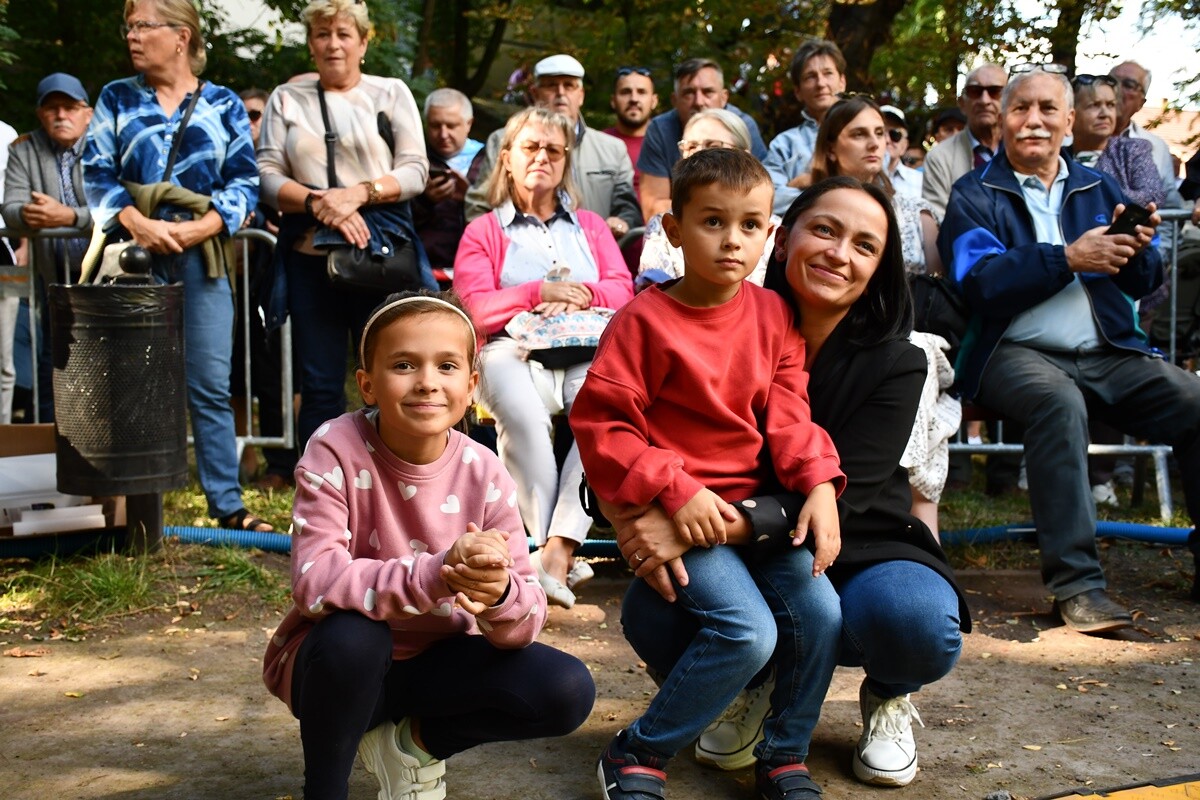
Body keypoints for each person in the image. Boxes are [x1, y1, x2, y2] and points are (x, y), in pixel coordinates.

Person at [605, 177, 969, 792]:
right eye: (824, 230)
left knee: (911, 622)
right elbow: (617, 423)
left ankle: (867, 706)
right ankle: (742, 690)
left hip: (852, 546)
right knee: (664, 612)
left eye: (864, 245)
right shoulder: (713, 316)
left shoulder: (899, 360)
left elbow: (828, 469)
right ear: (786, 238)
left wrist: (790, 493)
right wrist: (627, 513)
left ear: (880, 268)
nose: (838, 252)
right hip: (718, 534)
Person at [573, 148, 846, 800]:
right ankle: (638, 752)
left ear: (769, 233)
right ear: (672, 229)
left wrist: (819, 484)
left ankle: (782, 755)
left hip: (752, 513)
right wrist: (673, 486)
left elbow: (790, 413)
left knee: (824, 613)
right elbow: (601, 425)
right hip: (681, 514)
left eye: (751, 226)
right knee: (747, 632)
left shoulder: (773, 315)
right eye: (713, 222)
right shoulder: (642, 322)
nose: (733, 241)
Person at [263, 291, 595, 800]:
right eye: (403, 364)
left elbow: (528, 616)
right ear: (367, 385)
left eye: (446, 365)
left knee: (567, 690)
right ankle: (325, 788)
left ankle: (412, 746)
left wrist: (498, 592)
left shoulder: (484, 470)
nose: (427, 382)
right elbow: (314, 583)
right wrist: (436, 573)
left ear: (472, 385)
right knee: (357, 638)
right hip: (337, 672)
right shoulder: (335, 446)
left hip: (438, 665)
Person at [938, 65, 1200, 634]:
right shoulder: (975, 193)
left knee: (1194, 400)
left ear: (1069, 122)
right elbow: (979, 281)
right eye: (1020, 108)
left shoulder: (1097, 186)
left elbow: (1140, 282)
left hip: (1107, 349)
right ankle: (1077, 587)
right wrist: (1067, 258)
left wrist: (1141, 247)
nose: (1033, 120)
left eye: (1047, 109)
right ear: (1002, 121)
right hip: (1013, 351)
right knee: (1058, 401)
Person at [83, 0, 268, 531]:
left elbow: (243, 181)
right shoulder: (116, 97)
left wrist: (198, 227)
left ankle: (227, 506)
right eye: (129, 27)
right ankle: (132, 508)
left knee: (210, 382)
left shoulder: (224, 102)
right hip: (132, 256)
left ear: (182, 35)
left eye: (143, 25)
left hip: (202, 257)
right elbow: (96, 173)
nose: (132, 37)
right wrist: (139, 224)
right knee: (131, 380)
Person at [453, 106, 634, 609]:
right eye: (531, 147)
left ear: (566, 162)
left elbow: (623, 289)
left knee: (601, 416)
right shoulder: (484, 230)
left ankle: (555, 551)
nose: (542, 158)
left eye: (554, 150)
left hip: (584, 343)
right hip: (510, 345)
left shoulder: (592, 226)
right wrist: (537, 290)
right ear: (506, 158)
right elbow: (471, 306)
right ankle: (553, 550)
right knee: (526, 419)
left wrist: (579, 293)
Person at [257, 0, 433, 451]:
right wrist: (320, 202)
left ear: (363, 41)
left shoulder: (390, 91)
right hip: (309, 256)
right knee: (319, 379)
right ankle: (320, 481)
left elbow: (415, 170)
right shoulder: (286, 98)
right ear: (310, 44)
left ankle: (397, 475)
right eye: (322, 34)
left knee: (393, 369)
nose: (333, 44)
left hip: (381, 252)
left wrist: (359, 194)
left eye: (343, 34)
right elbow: (267, 174)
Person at [809, 95, 958, 539]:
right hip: (828, 331)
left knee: (916, 358)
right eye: (859, 134)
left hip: (905, 328)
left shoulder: (913, 212)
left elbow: (938, 284)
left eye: (883, 133)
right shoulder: (806, 209)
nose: (876, 143)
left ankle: (919, 528)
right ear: (832, 147)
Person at [465, 54, 640, 242]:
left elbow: (628, 207)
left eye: (569, 85)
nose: (561, 93)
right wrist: (495, 247)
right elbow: (479, 205)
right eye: (551, 85)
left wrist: (621, 222)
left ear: (581, 95)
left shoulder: (612, 149)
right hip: (517, 256)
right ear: (534, 93)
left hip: (595, 257)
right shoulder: (503, 140)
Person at [2, 73, 94, 424]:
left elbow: (116, 208)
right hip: (51, 276)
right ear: (40, 114)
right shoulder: (24, 149)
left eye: (70, 107)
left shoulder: (104, 146)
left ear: (87, 112)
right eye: (52, 108)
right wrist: (27, 214)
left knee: (107, 356)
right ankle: (51, 448)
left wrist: (67, 215)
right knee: (50, 358)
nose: (61, 115)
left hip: (105, 274)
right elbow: (9, 206)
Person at [230, 87, 296, 491]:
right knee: (236, 372)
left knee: (280, 373)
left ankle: (284, 460)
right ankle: (243, 455)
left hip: (279, 278)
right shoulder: (228, 163)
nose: (250, 123)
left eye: (256, 115)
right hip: (235, 283)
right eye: (243, 116)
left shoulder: (286, 160)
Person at [637, 108, 777, 287]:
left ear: (745, 155)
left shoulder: (777, 232)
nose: (700, 155)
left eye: (714, 147)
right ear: (674, 230)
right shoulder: (660, 226)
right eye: (692, 146)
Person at [637, 57, 769, 220]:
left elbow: (763, 196)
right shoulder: (660, 130)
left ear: (724, 97)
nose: (699, 102)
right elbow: (653, 209)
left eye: (708, 92)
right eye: (688, 93)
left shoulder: (743, 125)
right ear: (674, 100)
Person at [763, 39, 848, 215]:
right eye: (810, 76)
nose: (820, 83)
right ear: (798, 92)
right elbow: (769, 199)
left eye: (828, 73)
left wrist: (812, 182)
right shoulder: (784, 144)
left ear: (842, 82)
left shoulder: (867, 132)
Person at [412, 88, 485, 280]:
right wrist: (425, 200)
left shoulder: (490, 162)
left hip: (477, 268)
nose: (443, 134)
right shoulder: (414, 160)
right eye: (436, 126)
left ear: (468, 124)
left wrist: (470, 198)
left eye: (451, 126)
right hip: (423, 268)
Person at [922, 62, 1007, 218]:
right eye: (975, 92)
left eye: (995, 92)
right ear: (962, 104)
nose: (984, 100)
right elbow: (937, 220)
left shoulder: (1026, 150)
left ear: (1009, 100)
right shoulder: (939, 158)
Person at [604, 66, 659, 196]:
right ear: (613, 101)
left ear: (654, 101)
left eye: (641, 92)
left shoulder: (668, 144)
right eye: (625, 92)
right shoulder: (597, 145)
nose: (634, 99)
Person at [0, 117, 19, 424]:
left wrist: (25, 244)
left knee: (4, 361)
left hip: (6, 251)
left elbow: (20, 193)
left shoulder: (6, 133)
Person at [880, 104, 923, 198]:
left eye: (895, 135)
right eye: (880, 133)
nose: (887, 140)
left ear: (905, 145)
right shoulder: (857, 178)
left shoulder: (921, 182)